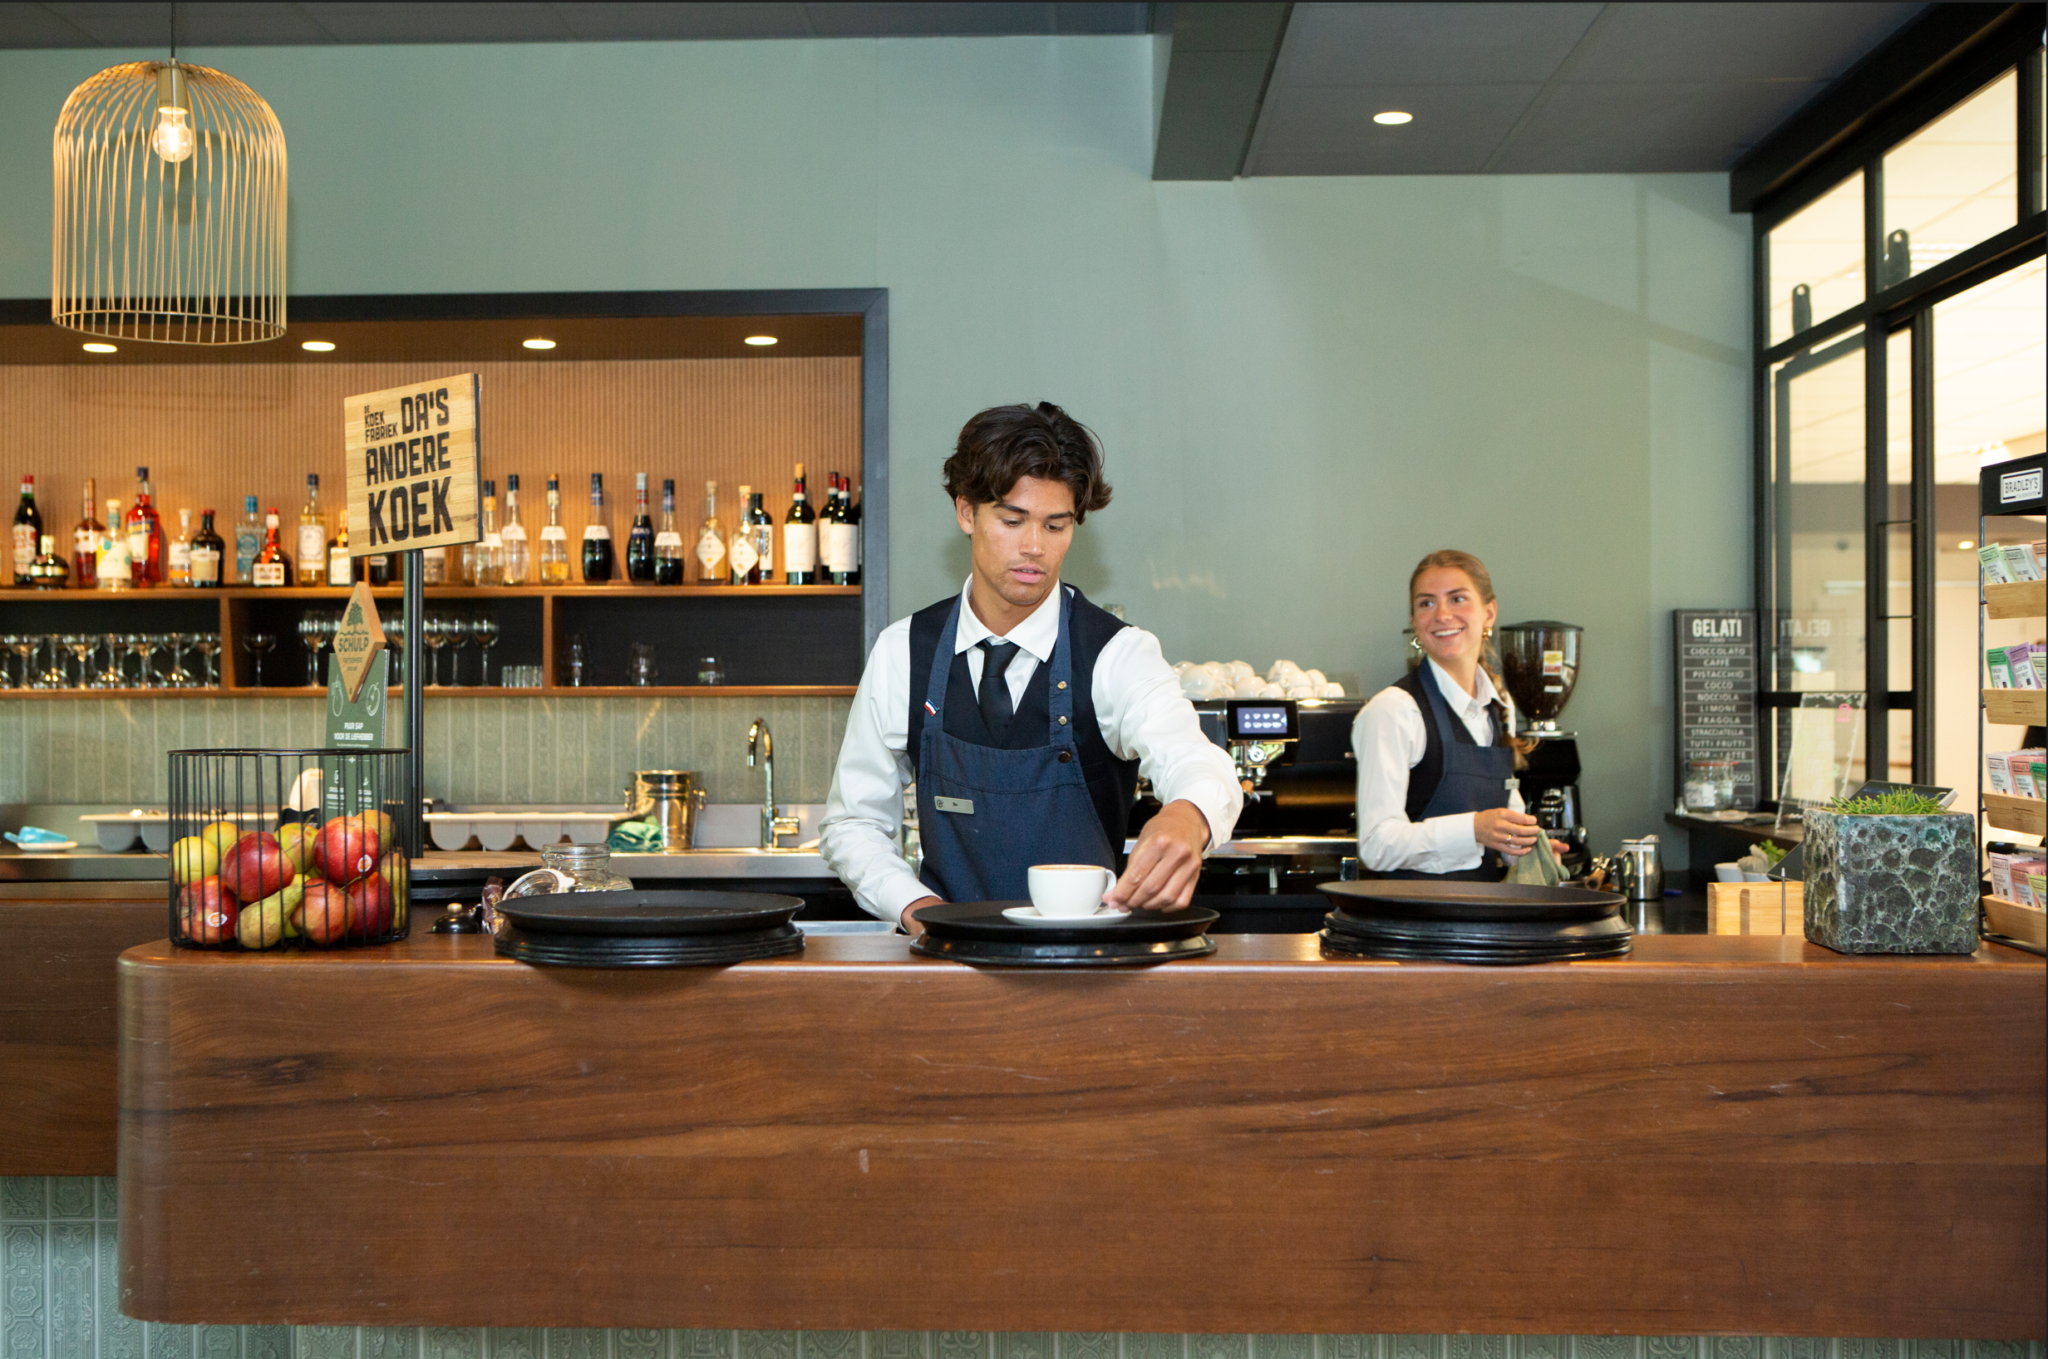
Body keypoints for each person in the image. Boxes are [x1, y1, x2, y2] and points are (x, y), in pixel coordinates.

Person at [821, 402, 1242, 930]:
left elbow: (1198, 763)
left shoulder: (1117, 653)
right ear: (966, 512)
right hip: (948, 967)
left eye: (1056, 525)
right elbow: (853, 822)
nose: (1034, 548)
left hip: (1086, 971)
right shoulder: (903, 651)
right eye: (1012, 520)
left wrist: (1187, 816)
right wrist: (915, 907)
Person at [1352, 548, 1555, 880]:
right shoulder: (1394, 710)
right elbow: (1377, 846)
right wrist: (1473, 829)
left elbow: (1504, 802)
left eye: (1457, 599)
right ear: (1415, 622)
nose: (1442, 614)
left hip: (1483, 923)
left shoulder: (1499, 704)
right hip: (1415, 927)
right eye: (1426, 603)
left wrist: (1523, 847)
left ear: (1489, 613)